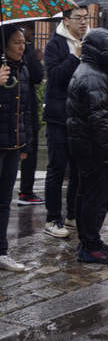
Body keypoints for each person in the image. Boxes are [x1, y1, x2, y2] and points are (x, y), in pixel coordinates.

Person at [66, 28, 108, 265]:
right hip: (94, 149)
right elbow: (100, 119)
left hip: (86, 146)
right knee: (94, 196)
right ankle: (89, 244)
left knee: (87, 195)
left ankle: (90, 240)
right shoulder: (92, 77)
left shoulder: (93, 73)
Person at [43, 7, 89, 239]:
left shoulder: (89, 41)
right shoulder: (55, 44)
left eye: (85, 18)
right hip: (58, 116)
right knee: (57, 167)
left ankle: (72, 214)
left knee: (78, 168)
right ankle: (53, 218)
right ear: (66, 20)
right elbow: (55, 77)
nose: (83, 22)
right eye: (78, 18)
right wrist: (75, 57)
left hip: (80, 116)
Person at [0, 27, 33, 272]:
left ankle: (2, 251)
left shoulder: (22, 70)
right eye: (16, 42)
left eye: (24, 42)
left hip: (13, 145)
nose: (22, 47)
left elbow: (27, 111)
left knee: (4, 201)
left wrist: (25, 144)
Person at [17, 22, 44, 205]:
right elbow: (37, 75)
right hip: (23, 109)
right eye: (31, 30)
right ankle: (26, 191)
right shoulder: (26, 47)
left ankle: (26, 191)